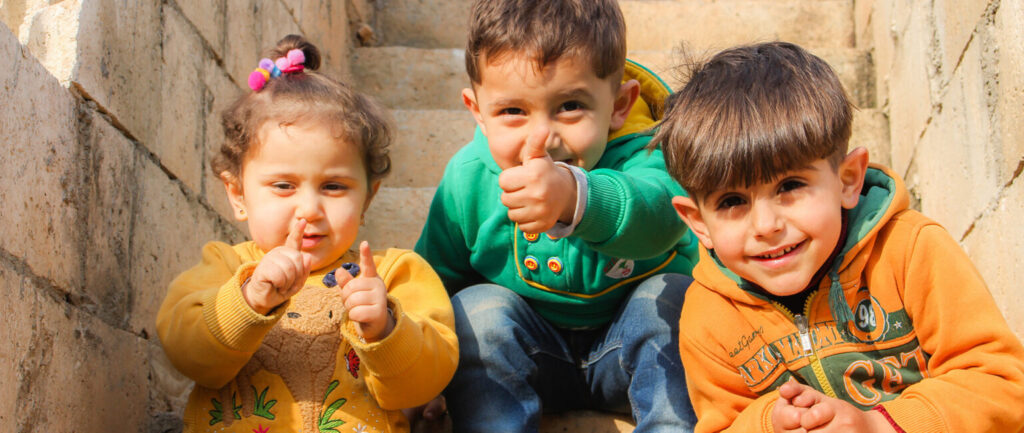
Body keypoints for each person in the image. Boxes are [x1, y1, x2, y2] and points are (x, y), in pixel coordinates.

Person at [654, 41, 1024, 433]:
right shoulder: (710, 315)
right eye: (732, 201)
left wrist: (878, 426)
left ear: (848, 180)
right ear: (699, 223)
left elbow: (1001, 385)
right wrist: (768, 425)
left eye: (789, 186)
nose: (765, 225)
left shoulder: (911, 251)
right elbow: (722, 425)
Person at [412, 0, 700, 431]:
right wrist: (423, 376)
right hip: (525, 357)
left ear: (619, 104)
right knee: (475, 310)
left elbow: (659, 218)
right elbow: (434, 281)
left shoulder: (651, 155)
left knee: (671, 297)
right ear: (477, 111)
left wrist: (576, 198)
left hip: (630, 349)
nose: (542, 137)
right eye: (513, 111)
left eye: (569, 106)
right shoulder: (468, 178)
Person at [156, 34, 458, 433]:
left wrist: (386, 329)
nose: (310, 209)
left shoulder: (395, 276)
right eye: (284, 186)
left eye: (333, 186)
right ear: (238, 194)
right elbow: (187, 355)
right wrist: (249, 299)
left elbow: (426, 380)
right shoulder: (225, 267)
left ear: (368, 198)